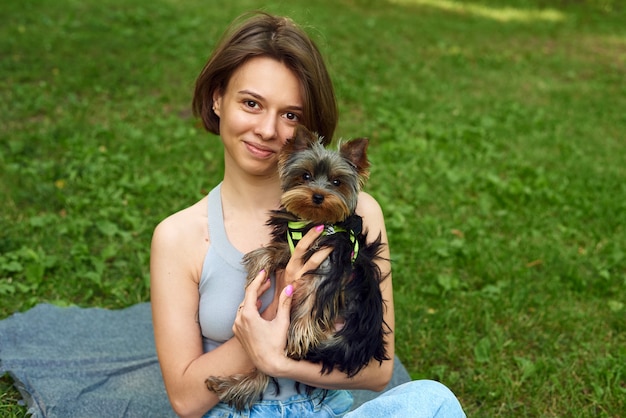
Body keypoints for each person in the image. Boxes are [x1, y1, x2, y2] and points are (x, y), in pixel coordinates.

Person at [150, 11, 466, 418]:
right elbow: (185, 400)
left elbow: (378, 371)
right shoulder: (180, 236)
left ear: (307, 128)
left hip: (325, 410)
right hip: (236, 410)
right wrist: (277, 304)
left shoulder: (359, 215)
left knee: (432, 400)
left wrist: (278, 363)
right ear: (217, 98)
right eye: (251, 103)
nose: (267, 129)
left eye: (290, 115)